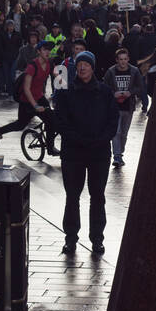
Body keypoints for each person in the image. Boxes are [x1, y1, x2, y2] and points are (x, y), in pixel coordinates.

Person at [54, 51, 119, 256]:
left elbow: (112, 121)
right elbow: (61, 122)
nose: (83, 68)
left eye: (87, 64)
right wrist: (79, 139)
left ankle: (97, 239)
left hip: (99, 153)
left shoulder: (105, 92)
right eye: (80, 64)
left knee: (97, 196)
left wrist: (100, 139)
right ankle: (71, 239)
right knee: (72, 196)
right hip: (73, 152)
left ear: (93, 68)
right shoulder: (66, 92)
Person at [0, 45, 56, 155]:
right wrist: (35, 106)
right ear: (39, 51)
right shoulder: (32, 66)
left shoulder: (49, 64)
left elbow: (57, 77)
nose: (47, 52)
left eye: (49, 50)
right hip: (27, 101)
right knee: (20, 125)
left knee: (51, 121)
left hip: (39, 97)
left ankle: (50, 148)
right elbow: (26, 89)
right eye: (45, 50)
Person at [103, 48, 144, 168]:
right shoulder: (111, 72)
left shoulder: (134, 71)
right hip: (114, 107)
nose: (123, 62)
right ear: (116, 60)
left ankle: (120, 152)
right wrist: (113, 93)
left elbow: (140, 87)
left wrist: (130, 92)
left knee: (124, 133)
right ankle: (117, 156)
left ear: (128, 59)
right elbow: (104, 88)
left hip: (128, 106)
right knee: (116, 132)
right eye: (120, 59)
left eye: (125, 59)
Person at [0, 18, 22, 98]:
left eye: (12, 26)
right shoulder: (2, 34)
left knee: (12, 74)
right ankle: (9, 91)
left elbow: (20, 46)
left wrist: (18, 56)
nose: (10, 27)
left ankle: (13, 91)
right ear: (7, 27)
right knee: (7, 75)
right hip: (5, 58)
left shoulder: (17, 34)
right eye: (9, 26)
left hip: (14, 57)